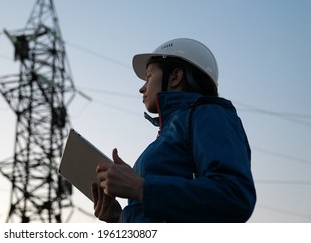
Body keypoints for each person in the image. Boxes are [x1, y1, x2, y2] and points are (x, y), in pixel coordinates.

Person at [91, 38, 256, 222]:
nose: (142, 88)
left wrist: (139, 187)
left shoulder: (209, 112)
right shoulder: (169, 132)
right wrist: (120, 216)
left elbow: (234, 196)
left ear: (175, 76)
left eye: (149, 76)